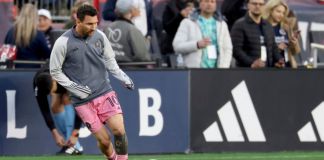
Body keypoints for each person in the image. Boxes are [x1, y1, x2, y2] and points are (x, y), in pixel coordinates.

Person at [50, 4, 134, 160]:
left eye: (96, 23)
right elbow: (55, 71)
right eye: (89, 24)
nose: (94, 27)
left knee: (119, 131)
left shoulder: (100, 36)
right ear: (78, 21)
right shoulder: (63, 43)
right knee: (104, 140)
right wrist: (75, 88)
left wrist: (123, 77)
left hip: (104, 92)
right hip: (82, 102)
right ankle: (111, 158)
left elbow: (110, 61)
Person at [33, 66, 84, 155]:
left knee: (66, 98)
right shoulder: (37, 84)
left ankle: (72, 146)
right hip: (59, 81)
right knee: (54, 107)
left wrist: (75, 133)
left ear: (54, 80)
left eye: (51, 91)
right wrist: (54, 133)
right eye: (49, 93)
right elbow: (44, 110)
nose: (51, 94)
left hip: (68, 79)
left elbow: (81, 104)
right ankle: (71, 145)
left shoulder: (68, 73)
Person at [172, 0, 233, 68]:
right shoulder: (187, 22)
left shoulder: (222, 24)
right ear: (200, 3)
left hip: (217, 72)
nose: (209, 4)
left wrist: (224, 67)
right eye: (206, 1)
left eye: (212, 2)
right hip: (195, 71)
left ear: (215, 4)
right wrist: (197, 45)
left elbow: (228, 48)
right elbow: (177, 46)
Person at [230, 0, 285, 68]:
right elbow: (236, 50)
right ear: (248, 5)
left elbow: (273, 47)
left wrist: (279, 60)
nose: (257, 6)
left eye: (261, 4)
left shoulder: (267, 25)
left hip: (267, 70)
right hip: (246, 71)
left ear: (264, 6)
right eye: (254, 3)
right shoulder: (239, 24)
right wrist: (251, 63)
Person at [103, 0, 151, 65]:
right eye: (136, 7)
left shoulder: (107, 29)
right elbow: (142, 56)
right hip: (129, 70)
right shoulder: (132, 30)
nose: (139, 10)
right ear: (131, 11)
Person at [4, 3, 51, 68]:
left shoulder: (11, 32)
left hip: (12, 72)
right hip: (32, 72)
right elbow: (47, 54)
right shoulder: (38, 34)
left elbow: (6, 52)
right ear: (35, 17)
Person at [263, 0, 301, 68]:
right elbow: (257, 50)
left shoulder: (286, 27)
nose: (281, 15)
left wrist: (294, 44)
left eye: (283, 13)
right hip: (269, 67)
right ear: (271, 10)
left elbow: (296, 52)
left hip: (287, 66)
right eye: (278, 11)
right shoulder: (262, 26)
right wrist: (276, 48)